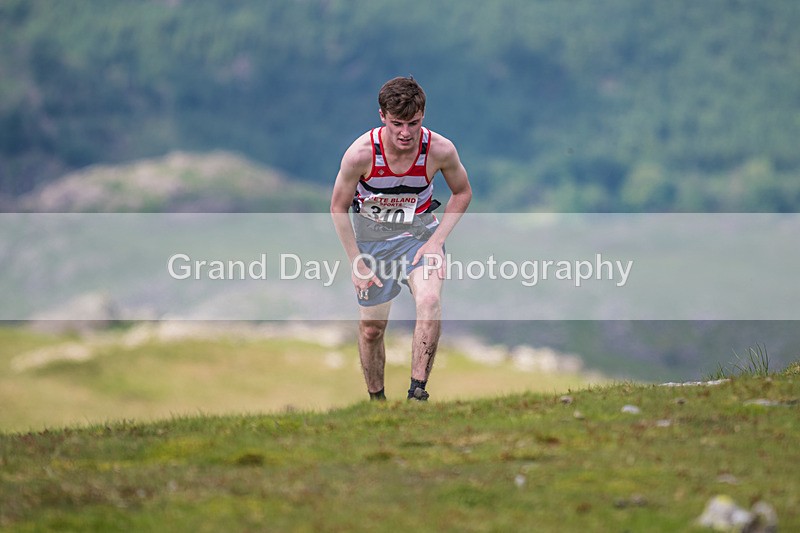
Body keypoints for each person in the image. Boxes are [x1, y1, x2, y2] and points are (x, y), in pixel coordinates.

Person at [330, 76, 472, 401]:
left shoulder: (439, 150)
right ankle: (377, 403)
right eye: (397, 124)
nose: (406, 133)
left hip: (419, 235)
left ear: (423, 116)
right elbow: (338, 207)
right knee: (371, 330)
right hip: (372, 241)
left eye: (414, 123)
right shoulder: (360, 154)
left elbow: (462, 192)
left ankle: (416, 394)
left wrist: (437, 241)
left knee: (429, 301)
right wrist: (357, 262)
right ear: (382, 116)